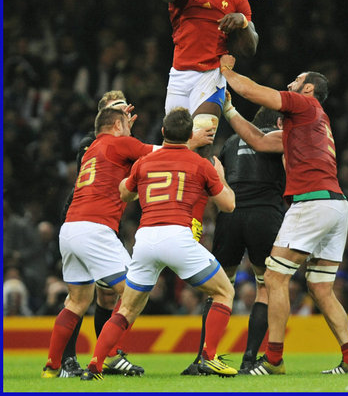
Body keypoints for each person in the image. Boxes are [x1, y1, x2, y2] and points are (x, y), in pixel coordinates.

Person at [219, 54, 348, 376]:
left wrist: (225, 71)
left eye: (296, 81)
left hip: (311, 203)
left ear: (309, 88)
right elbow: (258, 139)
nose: (290, 85)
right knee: (321, 288)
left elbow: (259, 93)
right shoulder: (310, 124)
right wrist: (228, 109)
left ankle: (273, 360)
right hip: (335, 205)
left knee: (273, 277)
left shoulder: (305, 106)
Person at [58, 91, 213, 378]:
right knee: (123, 292)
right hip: (92, 223)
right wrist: (189, 139)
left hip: (91, 224)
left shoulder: (104, 143)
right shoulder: (97, 143)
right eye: (120, 111)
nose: (128, 114)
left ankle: (64, 364)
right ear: (108, 118)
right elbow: (160, 156)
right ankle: (94, 357)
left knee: (98, 298)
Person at [80, 107, 238, 380]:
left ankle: (96, 361)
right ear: (190, 135)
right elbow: (229, 205)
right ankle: (209, 357)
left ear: (163, 132)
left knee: (127, 307)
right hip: (178, 237)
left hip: (145, 240)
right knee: (224, 293)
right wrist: (221, 178)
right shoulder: (200, 164)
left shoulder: (143, 163)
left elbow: (124, 193)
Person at [41, 106, 165, 379]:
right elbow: (165, 154)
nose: (131, 132)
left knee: (76, 301)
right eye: (127, 127)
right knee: (134, 291)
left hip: (71, 227)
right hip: (95, 229)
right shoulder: (120, 142)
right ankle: (108, 356)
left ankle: (52, 366)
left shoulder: (92, 149)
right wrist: (189, 142)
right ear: (118, 126)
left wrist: (119, 124)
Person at [182, 107, 286, 376]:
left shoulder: (230, 142)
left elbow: (218, 178)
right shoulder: (279, 138)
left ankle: (203, 356)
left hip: (231, 215)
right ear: (276, 122)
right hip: (265, 214)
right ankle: (250, 360)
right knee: (265, 286)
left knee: (218, 287)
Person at [159, 0, 258, 159]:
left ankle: (206, 195)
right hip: (179, 75)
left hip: (211, 75)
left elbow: (251, 48)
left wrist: (242, 21)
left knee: (202, 141)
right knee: (175, 145)